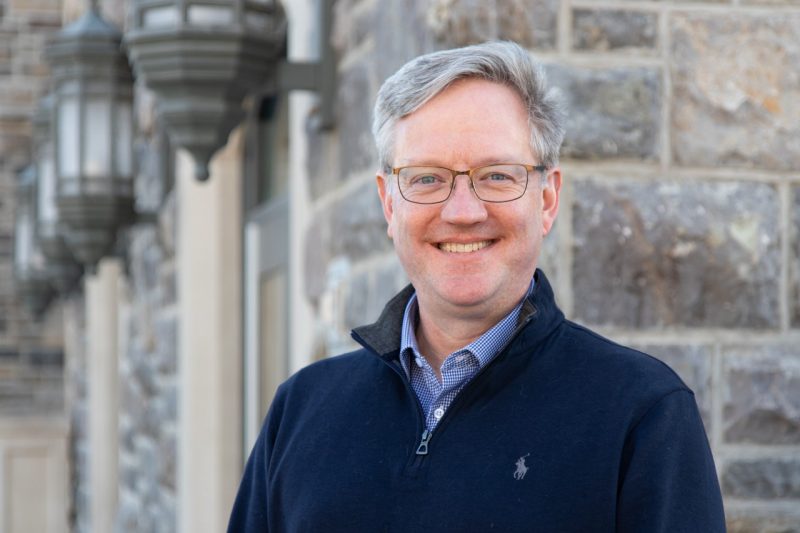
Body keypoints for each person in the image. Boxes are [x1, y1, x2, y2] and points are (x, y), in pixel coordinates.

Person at [228, 41, 726, 532]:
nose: (463, 212)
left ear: (547, 198)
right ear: (388, 205)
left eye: (496, 176)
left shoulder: (641, 416)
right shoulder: (301, 410)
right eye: (426, 179)